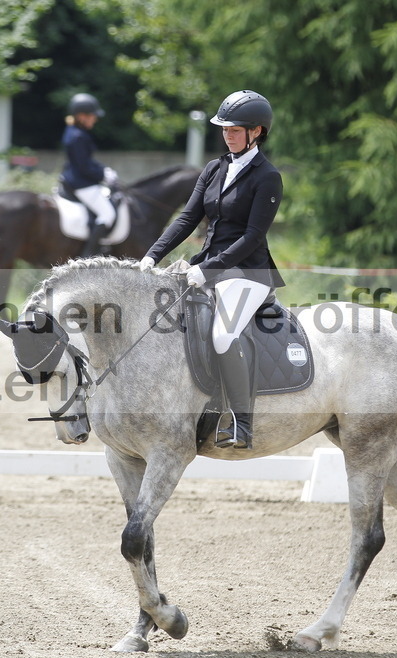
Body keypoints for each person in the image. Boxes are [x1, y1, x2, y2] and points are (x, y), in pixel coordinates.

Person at [139, 89, 284, 450]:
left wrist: (209, 268)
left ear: (257, 132)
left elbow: (253, 237)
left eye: (236, 130)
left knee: (223, 336)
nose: (228, 135)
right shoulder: (215, 168)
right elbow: (188, 217)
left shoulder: (268, 177)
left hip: (249, 273)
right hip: (206, 266)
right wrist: (151, 257)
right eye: (224, 129)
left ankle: (240, 422)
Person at [60, 93, 119, 256]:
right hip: (81, 183)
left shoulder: (75, 132)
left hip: (79, 179)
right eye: (93, 116)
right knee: (108, 214)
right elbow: (84, 166)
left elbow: (87, 161)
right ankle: (88, 255)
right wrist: (103, 176)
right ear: (81, 116)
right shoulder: (77, 136)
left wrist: (104, 170)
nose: (95, 119)